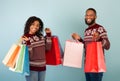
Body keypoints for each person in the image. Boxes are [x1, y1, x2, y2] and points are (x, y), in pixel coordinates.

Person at [72, 8, 110, 81]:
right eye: (87, 15)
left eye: (91, 15)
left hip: (97, 65)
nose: (88, 17)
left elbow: (108, 46)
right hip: (87, 64)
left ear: (95, 17)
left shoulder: (100, 28)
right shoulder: (86, 31)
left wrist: (100, 38)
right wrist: (79, 39)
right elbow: (86, 47)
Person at [22, 16, 52, 81]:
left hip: (42, 67)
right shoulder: (25, 38)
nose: (35, 27)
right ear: (28, 24)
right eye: (33, 24)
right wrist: (28, 43)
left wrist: (48, 35)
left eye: (37, 25)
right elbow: (29, 56)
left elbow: (48, 48)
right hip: (32, 68)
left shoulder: (41, 37)